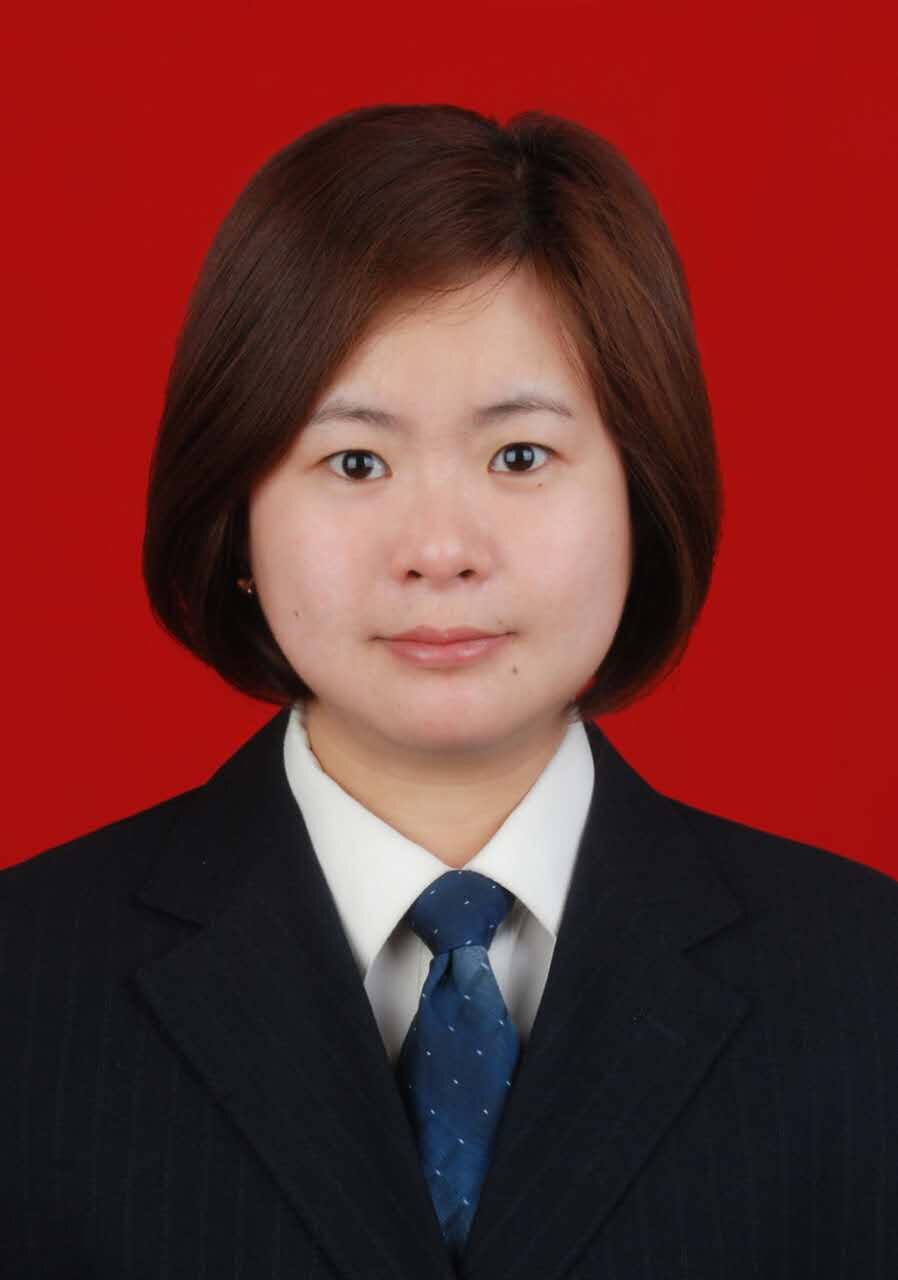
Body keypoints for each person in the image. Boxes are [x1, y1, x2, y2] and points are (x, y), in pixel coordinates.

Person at [2, 103, 896, 1280]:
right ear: (236, 515)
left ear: (640, 494)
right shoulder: (25, 984)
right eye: (354, 461)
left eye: (519, 455)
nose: (438, 549)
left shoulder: (866, 982)